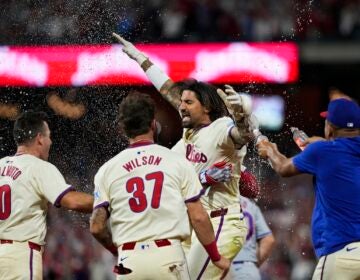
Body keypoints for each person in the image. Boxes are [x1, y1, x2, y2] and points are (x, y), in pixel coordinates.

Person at [113, 33, 251, 279]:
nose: (181, 106)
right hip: (194, 225)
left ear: (206, 107)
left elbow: (242, 135)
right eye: (181, 102)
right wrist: (141, 59)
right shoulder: (181, 145)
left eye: (189, 102)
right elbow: (168, 90)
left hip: (221, 222)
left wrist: (242, 117)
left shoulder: (219, 128)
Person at [89, 92, 230, 279]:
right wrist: (215, 256)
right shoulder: (176, 161)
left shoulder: (107, 170)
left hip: (129, 260)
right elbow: (198, 217)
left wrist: (116, 251)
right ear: (153, 124)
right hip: (168, 257)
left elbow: (96, 227)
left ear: (123, 129)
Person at [257, 98, 360, 279]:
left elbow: (282, 167)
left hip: (339, 253)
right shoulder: (326, 150)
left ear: (329, 127)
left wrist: (270, 149)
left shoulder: (322, 151)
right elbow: (339, 152)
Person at [0, 111, 94, 280]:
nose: (50, 141)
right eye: (49, 136)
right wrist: (108, 202)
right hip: (20, 256)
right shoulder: (38, 167)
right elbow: (72, 201)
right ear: (40, 138)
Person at [230, 167, 275, 280]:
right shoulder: (250, 204)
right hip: (249, 269)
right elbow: (269, 239)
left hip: (226, 267)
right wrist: (253, 263)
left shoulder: (216, 201)